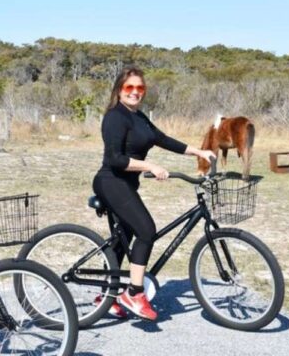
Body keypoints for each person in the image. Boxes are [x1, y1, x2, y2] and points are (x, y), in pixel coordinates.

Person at [92, 67, 215, 321]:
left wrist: (199, 152)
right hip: (111, 181)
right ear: (119, 89)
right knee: (146, 230)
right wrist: (150, 166)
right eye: (130, 88)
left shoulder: (139, 117)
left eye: (140, 88)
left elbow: (164, 139)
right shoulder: (115, 117)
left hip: (126, 184)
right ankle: (134, 293)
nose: (135, 92)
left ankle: (107, 296)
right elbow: (114, 159)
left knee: (123, 236)